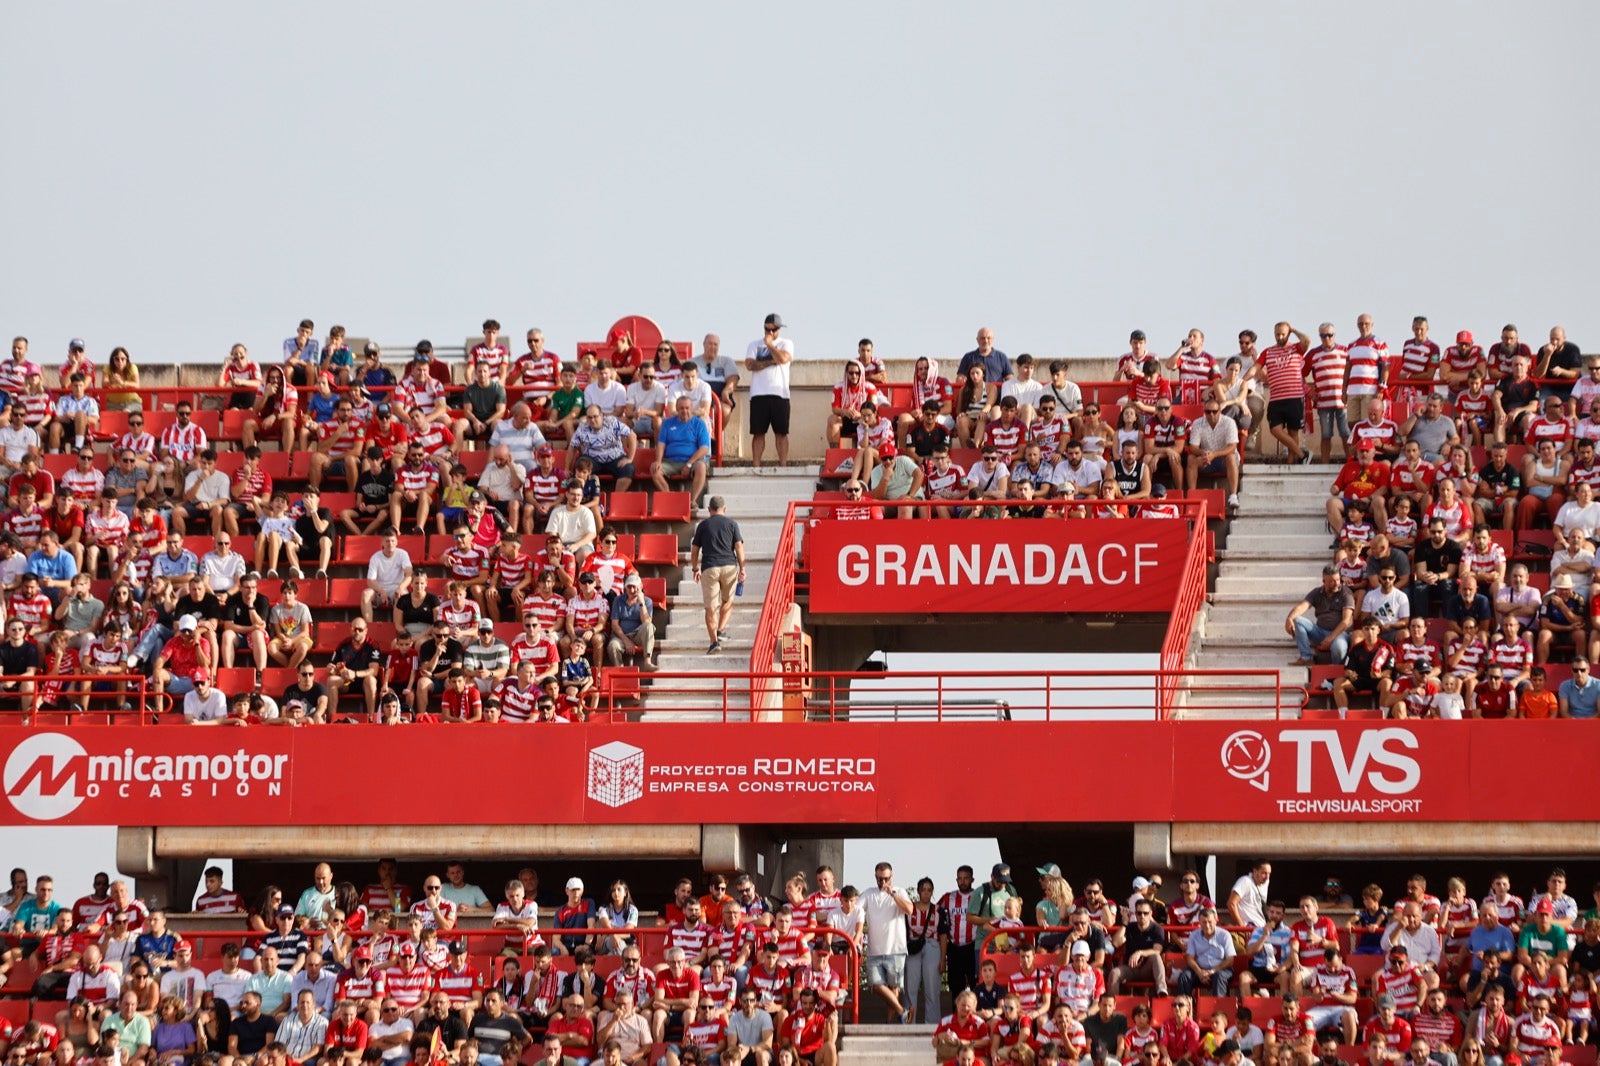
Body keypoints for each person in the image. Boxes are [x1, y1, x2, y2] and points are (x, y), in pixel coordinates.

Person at [689, 496, 745, 656]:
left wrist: (695, 569)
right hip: (729, 567)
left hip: (709, 568)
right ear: (724, 509)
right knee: (728, 601)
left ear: (709, 510)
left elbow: (695, 550)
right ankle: (721, 629)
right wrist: (742, 568)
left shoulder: (703, 525)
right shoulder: (732, 524)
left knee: (710, 607)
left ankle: (714, 642)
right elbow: (739, 547)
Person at [859, 862, 913, 1024]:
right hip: (874, 950)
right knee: (875, 985)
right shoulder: (869, 893)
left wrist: (893, 895)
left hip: (895, 949)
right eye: (879, 879)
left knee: (893, 988)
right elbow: (855, 910)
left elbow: (909, 910)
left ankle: (891, 1024)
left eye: (886, 879)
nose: (882, 882)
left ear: (892, 877)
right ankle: (902, 1011)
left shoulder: (900, 891)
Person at [744, 314, 794, 468]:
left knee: (781, 433)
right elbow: (750, 365)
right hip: (759, 394)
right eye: (767, 329)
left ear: (779, 329)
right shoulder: (754, 345)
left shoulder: (786, 343)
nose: (770, 332)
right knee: (758, 433)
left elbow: (783, 359)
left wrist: (770, 346)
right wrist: (771, 361)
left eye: (774, 329)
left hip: (780, 395)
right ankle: (756, 465)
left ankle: (783, 466)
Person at [1287, 566, 1356, 666]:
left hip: (1341, 634)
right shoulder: (1317, 592)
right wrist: (1289, 618)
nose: (1336, 583)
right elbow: (1302, 606)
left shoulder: (1346, 593)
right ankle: (1306, 658)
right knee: (1297, 620)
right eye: (1332, 581)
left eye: (1338, 580)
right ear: (1324, 581)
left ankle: (1336, 668)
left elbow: (1346, 621)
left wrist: (1330, 638)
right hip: (1320, 631)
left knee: (1338, 647)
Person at [652, 396, 712, 500]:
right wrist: (658, 461)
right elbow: (661, 444)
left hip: (692, 461)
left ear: (691, 408)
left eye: (687, 408)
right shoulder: (667, 423)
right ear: (677, 409)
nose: (684, 411)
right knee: (654, 469)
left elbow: (704, 448)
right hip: (671, 461)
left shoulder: (699, 424)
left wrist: (689, 464)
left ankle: (693, 501)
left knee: (701, 467)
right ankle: (669, 498)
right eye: (681, 408)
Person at [1185, 399, 1241, 507]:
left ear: (1220, 411)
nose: (1211, 414)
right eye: (1208, 412)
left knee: (1231, 457)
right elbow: (1193, 447)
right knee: (1191, 459)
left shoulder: (1229, 422)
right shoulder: (1197, 423)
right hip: (1206, 457)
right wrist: (1204, 453)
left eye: (1214, 412)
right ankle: (1192, 495)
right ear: (1204, 412)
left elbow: (1232, 447)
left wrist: (1214, 454)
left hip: (1224, 458)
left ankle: (1233, 495)